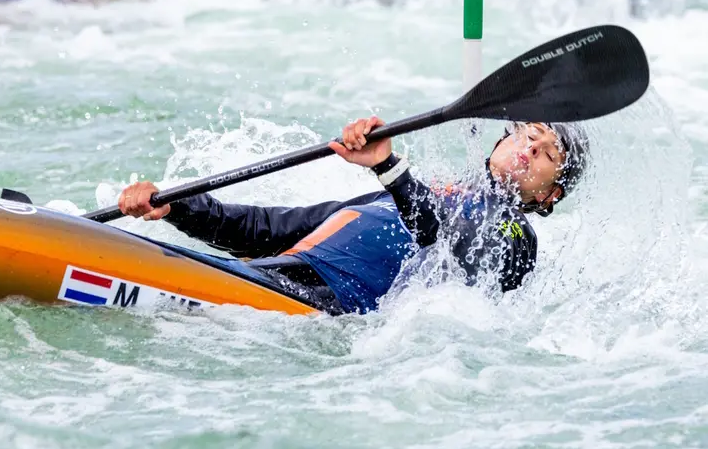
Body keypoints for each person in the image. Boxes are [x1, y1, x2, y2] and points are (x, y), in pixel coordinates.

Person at [118, 117, 589, 315]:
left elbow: (440, 240)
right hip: (271, 277)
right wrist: (176, 205)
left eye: (547, 153)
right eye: (528, 135)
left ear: (551, 196)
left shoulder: (515, 235)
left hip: (324, 307)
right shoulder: (396, 197)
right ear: (499, 141)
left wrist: (387, 165)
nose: (530, 148)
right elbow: (264, 230)